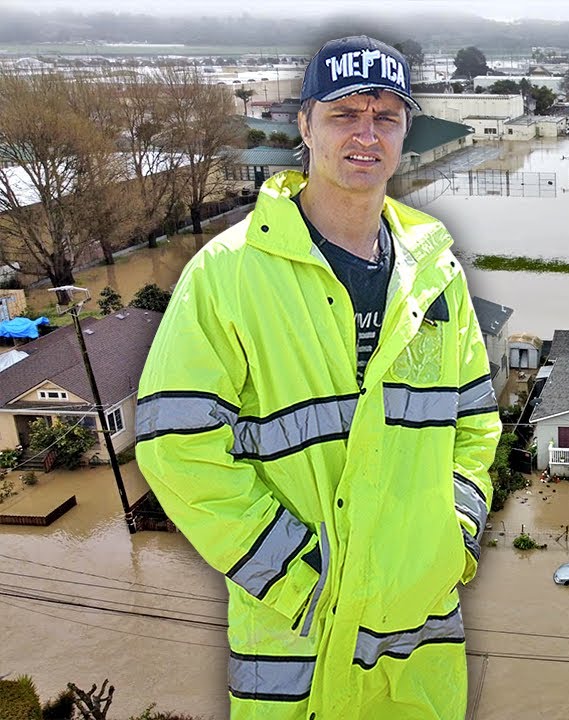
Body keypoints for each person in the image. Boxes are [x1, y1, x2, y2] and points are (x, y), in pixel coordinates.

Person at [135, 35, 500, 719]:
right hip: (294, 636)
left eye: (386, 116)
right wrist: (299, 574)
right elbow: (176, 448)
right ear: (302, 126)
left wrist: (452, 538)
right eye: (344, 115)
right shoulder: (228, 275)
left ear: (405, 133)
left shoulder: (436, 277)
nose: (367, 134)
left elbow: (476, 424)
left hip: (416, 632)